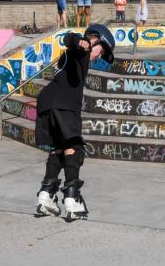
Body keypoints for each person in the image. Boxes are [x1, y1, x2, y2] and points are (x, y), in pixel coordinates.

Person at [35, 24, 115, 222]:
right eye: (101, 50)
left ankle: (46, 195)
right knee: (74, 147)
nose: (99, 55)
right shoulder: (82, 49)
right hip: (64, 104)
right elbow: (70, 40)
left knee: (58, 147)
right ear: (96, 40)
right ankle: (72, 198)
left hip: (47, 102)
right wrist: (83, 42)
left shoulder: (76, 57)